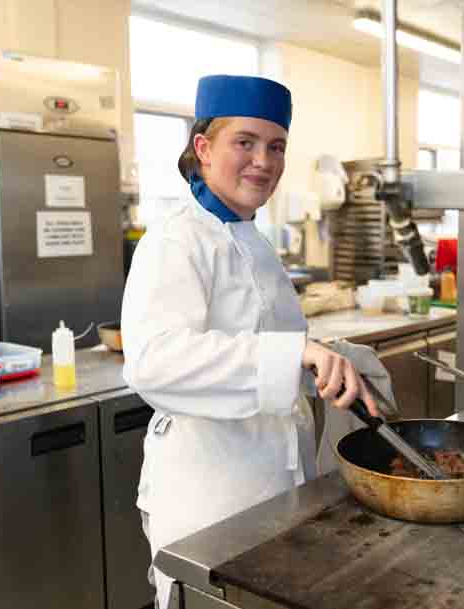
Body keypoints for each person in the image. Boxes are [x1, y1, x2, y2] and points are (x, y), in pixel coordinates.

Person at [121, 74, 379, 609]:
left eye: (276, 146)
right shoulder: (174, 240)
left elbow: (269, 346)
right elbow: (153, 361)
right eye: (245, 142)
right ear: (203, 147)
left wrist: (336, 360)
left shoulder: (252, 238)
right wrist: (294, 354)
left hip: (277, 483)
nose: (263, 161)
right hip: (213, 494)